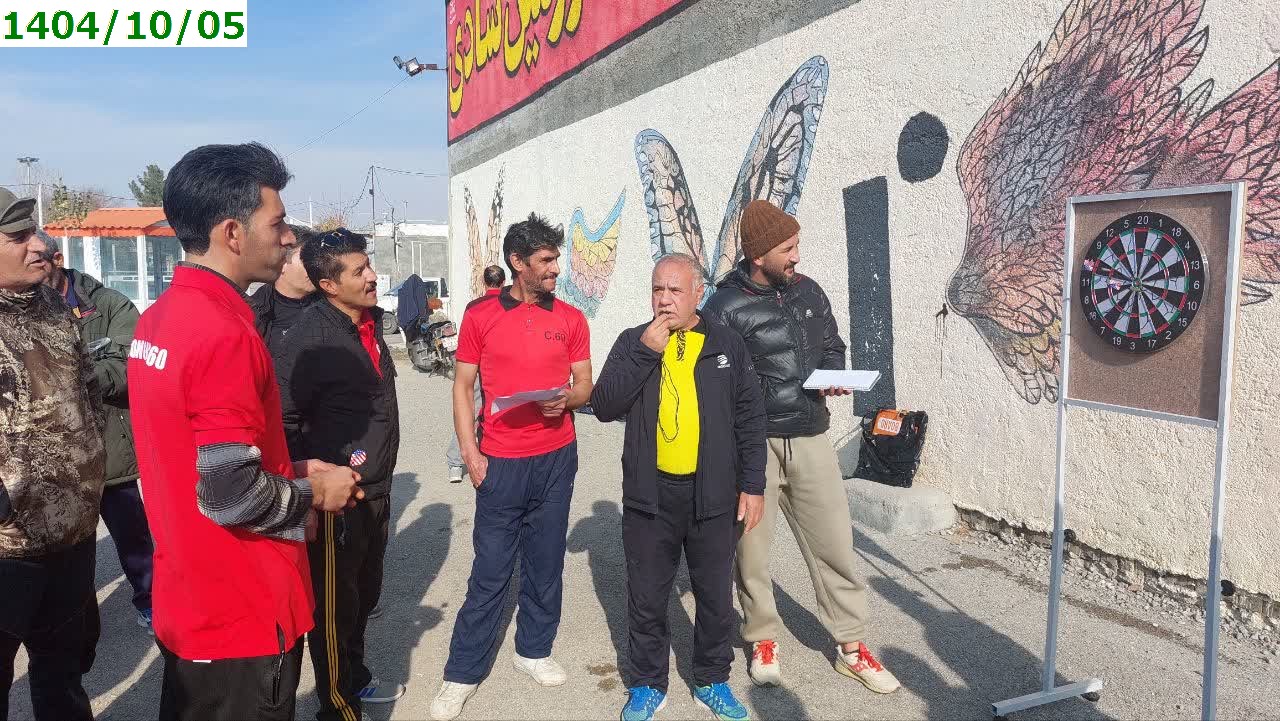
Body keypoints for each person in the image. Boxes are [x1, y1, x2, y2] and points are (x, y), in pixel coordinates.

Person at [127, 142, 363, 721]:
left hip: (191, 597)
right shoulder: (223, 332)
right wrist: (314, 492)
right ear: (233, 233)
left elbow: (196, 458)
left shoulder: (161, 317)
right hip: (242, 607)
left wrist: (288, 468)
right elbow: (229, 494)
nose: (289, 238)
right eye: (277, 223)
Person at [702, 199, 901, 694]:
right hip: (754, 445)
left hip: (811, 435)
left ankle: (851, 647)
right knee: (751, 552)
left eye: (796, 245)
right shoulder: (723, 307)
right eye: (787, 248)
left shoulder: (809, 290)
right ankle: (762, 639)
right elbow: (715, 380)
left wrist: (833, 374)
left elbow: (832, 345)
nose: (796, 256)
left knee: (835, 544)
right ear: (758, 255)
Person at [590, 253, 767, 721]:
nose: (664, 300)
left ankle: (712, 679)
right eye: (657, 290)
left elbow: (750, 418)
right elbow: (605, 405)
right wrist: (646, 351)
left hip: (712, 495)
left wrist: (753, 485)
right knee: (646, 596)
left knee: (714, 596)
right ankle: (648, 684)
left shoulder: (726, 343)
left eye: (675, 290)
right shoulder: (634, 340)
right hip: (651, 496)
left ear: (698, 294)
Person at [430, 214, 593, 721]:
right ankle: (462, 673)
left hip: (556, 458)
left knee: (546, 560)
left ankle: (533, 650)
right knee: (492, 568)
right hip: (500, 460)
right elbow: (462, 388)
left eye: (556, 259)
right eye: (546, 260)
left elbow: (585, 385)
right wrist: (470, 453)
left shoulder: (571, 318)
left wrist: (567, 400)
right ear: (517, 262)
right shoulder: (481, 316)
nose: (555, 269)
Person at [275, 228, 404, 720]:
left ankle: (354, 679)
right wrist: (304, 494)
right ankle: (337, 707)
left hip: (376, 489)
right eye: (359, 271)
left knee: (364, 597)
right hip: (335, 501)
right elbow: (283, 421)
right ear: (328, 285)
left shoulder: (369, 323)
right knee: (334, 611)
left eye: (368, 264)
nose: (372, 276)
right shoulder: (308, 340)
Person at [0, 189, 105, 721]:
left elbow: (86, 392)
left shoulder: (52, 306)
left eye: (34, 232)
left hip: (72, 530)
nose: (40, 245)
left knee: (65, 670)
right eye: (18, 237)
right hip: (8, 545)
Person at [40, 235, 155, 632]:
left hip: (107, 450)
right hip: (51, 457)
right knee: (67, 546)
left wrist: (66, 376)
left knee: (132, 536)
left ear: (57, 259)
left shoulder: (108, 305)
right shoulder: (20, 310)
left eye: (38, 259)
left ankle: (151, 600)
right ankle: (77, 618)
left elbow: (131, 366)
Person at [446, 264, 505, 482]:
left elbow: (467, 341)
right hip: (499, 367)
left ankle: (455, 464)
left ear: (484, 282)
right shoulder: (510, 306)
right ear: (504, 282)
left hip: (475, 365)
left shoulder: (474, 307)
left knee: (469, 411)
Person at [248, 223, 319, 354]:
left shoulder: (333, 303)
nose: (316, 268)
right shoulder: (254, 313)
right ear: (281, 262)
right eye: (308, 260)